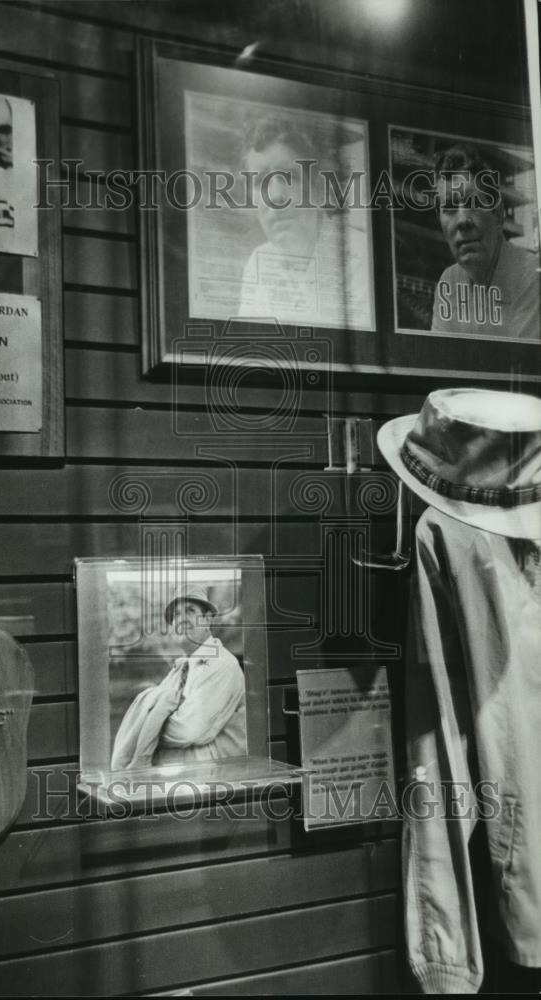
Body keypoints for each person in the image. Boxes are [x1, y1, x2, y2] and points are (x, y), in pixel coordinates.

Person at [377, 387, 541, 994]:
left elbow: (439, 745)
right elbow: (439, 741)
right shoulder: (449, 537)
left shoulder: (446, 533)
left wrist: (447, 961)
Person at [237, 117, 371, 329]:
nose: (276, 196)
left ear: (317, 188)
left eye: (289, 176)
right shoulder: (258, 263)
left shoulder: (362, 257)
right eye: (261, 181)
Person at [110, 586, 246, 771]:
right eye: (176, 614)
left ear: (207, 619)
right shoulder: (181, 668)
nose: (181, 619)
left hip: (215, 783)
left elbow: (187, 732)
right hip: (183, 779)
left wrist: (150, 725)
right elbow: (158, 714)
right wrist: (154, 715)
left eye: (190, 611)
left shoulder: (221, 664)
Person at [431, 143, 540, 339]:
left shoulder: (531, 274)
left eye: (474, 203)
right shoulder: (448, 280)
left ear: (497, 214)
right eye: (449, 208)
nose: (463, 220)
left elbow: (515, 366)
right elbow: (441, 363)